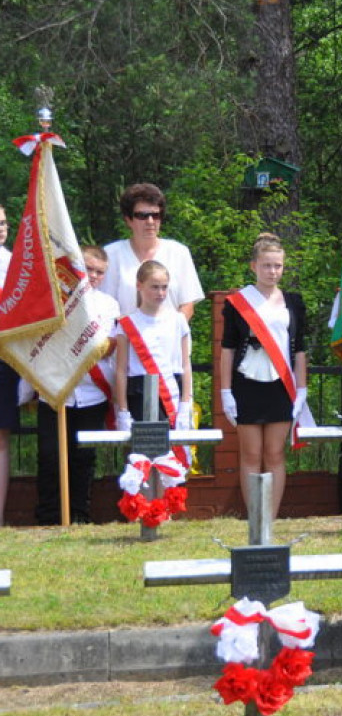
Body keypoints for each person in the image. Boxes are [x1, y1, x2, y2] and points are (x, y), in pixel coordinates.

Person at [220, 234, 308, 520]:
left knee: (274, 454)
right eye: (267, 265)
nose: (273, 272)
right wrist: (225, 391)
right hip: (247, 384)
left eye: (278, 266)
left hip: (281, 384)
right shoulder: (237, 303)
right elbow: (227, 350)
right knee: (251, 455)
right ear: (253, 266)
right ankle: (255, 517)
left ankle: (269, 517)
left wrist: (302, 389)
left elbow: (300, 350)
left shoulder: (293, 302)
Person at [35, 246, 121, 525]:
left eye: (99, 272)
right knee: (50, 456)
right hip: (55, 391)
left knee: (84, 459)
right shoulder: (54, 298)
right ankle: (49, 518)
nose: (93, 275)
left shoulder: (107, 304)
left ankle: (80, 516)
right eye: (88, 269)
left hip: (90, 393)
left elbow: (108, 346)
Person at [114, 260, 193, 453]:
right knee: (144, 456)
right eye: (154, 287)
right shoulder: (127, 323)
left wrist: (185, 403)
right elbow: (121, 370)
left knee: (172, 458)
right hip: (139, 392)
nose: (160, 293)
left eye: (164, 287)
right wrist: (123, 411)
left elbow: (185, 364)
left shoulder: (178, 320)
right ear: (139, 285)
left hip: (172, 389)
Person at [101, 183, 205, 318]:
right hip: (126, 337)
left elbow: (187, 305)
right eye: (142, 215)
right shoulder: (111, 254)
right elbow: (104, 307)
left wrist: (172, 334)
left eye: (155, 215)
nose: (150, 221)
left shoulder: (179, 252)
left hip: (171, 337)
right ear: (128, 220)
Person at [0, 205, 15, 525]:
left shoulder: (16, 264)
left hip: (4, 358)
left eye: (2, 223)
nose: (1, 228)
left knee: (1, 438)